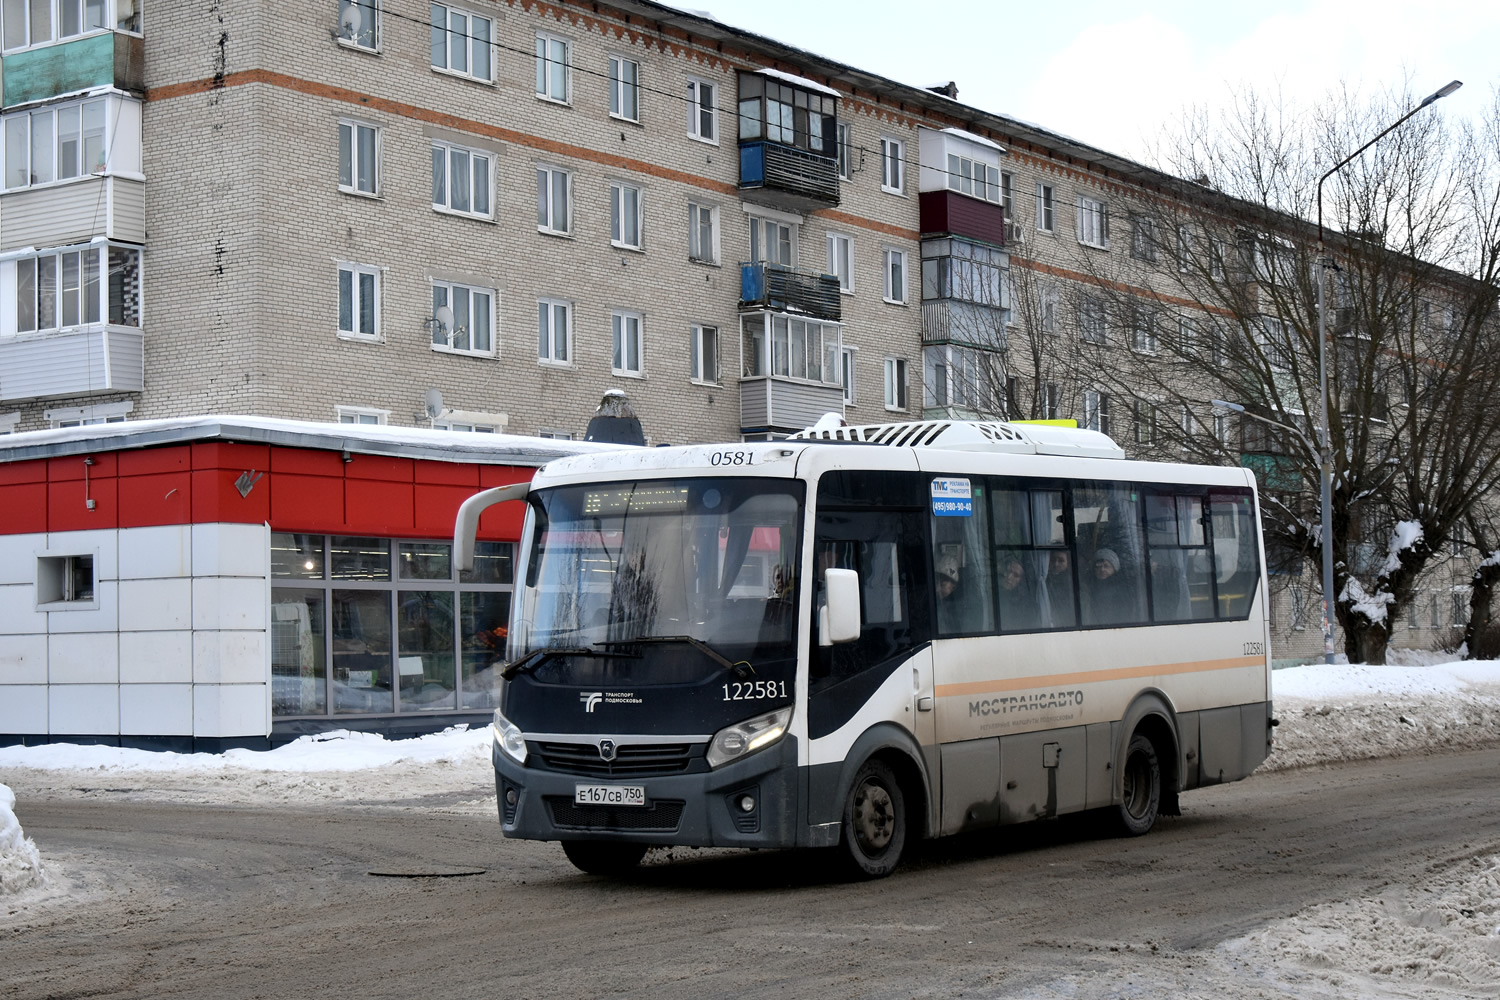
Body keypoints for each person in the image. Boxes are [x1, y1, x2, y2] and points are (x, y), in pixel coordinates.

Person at [1085, 547, 1133, 625]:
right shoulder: (1087, 586)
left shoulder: (1122, 589)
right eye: (1098, 567)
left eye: (1106, 566)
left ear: (1115, 568)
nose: (1102, 569)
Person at [997, 555, 1041, 630]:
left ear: (1021, 580)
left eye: (1016, 575)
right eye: (1007, 571)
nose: (1009, 577)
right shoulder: (992, 596)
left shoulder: (1027, 605)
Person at [1045, 549, 1075, 627]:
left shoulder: (1073, 583)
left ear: (1068, 562)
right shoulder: (1043, 582)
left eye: (1061, 561)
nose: (1056, 564)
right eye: (1053, 560)